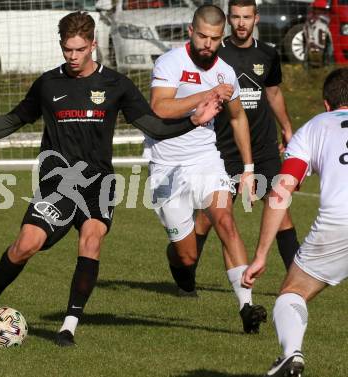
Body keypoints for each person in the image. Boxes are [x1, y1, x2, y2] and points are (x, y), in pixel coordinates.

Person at [0, 11, 221, 347]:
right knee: (26, 244)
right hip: (57, 184)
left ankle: (68, 325)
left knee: (91, 240)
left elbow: (153, 126)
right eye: (67, 49)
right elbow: (13, 119)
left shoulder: (116, 85)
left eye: (79, 49)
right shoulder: (48, 84)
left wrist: (194, 122)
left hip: (99, 184)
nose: (72, 56)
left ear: (93, 45)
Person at [147, 4, 267, 333]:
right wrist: (206, 93)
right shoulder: (170, 62)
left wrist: (247, 168)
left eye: (214, 39)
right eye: (202, 36)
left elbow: (238, 117)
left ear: (221, 37)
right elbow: (160, 107)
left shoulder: (225, 71)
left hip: (205, 159)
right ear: (190, 31)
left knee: (226, 221)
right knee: (186, 256)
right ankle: (182, 264)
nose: (207, 44)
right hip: (167, 167)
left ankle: (246, 307)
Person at [243, 67, 348, 377]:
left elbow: (281, 190)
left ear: (326, 104)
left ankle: (292, 354)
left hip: (340, 220)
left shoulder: (316, 127)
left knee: (293, 292)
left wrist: (261, 254)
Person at [192, 0, 299, 282]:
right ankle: (186, 272)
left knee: (280, 209)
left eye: (247, 17)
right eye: (236, 17)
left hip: (263, 147)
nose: (241, 23)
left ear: (256, 19)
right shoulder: (216, 53)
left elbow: (273, 94)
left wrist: (287, 128)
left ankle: (297, 276)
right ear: (228, 19)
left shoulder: (268, 54)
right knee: (208, 216)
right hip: (225, 149)